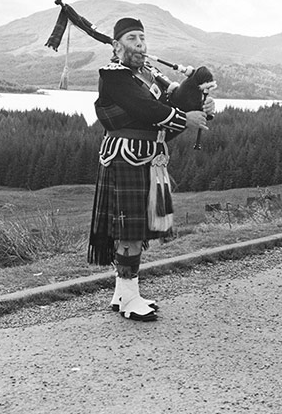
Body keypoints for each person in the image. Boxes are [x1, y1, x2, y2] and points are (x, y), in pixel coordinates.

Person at [88, 17, 214, 321]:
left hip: (149, 157)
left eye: (142, 38)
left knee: (136, 229)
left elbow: (175, 100)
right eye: (132, 38)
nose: (140, 44)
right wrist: (187, 119)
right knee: (130, 230)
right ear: (117, 46)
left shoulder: (148, 73)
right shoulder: (113, 76)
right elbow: (146, 109)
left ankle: (124, 294)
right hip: (125, 158)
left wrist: (200, 95)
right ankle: (130, 300)